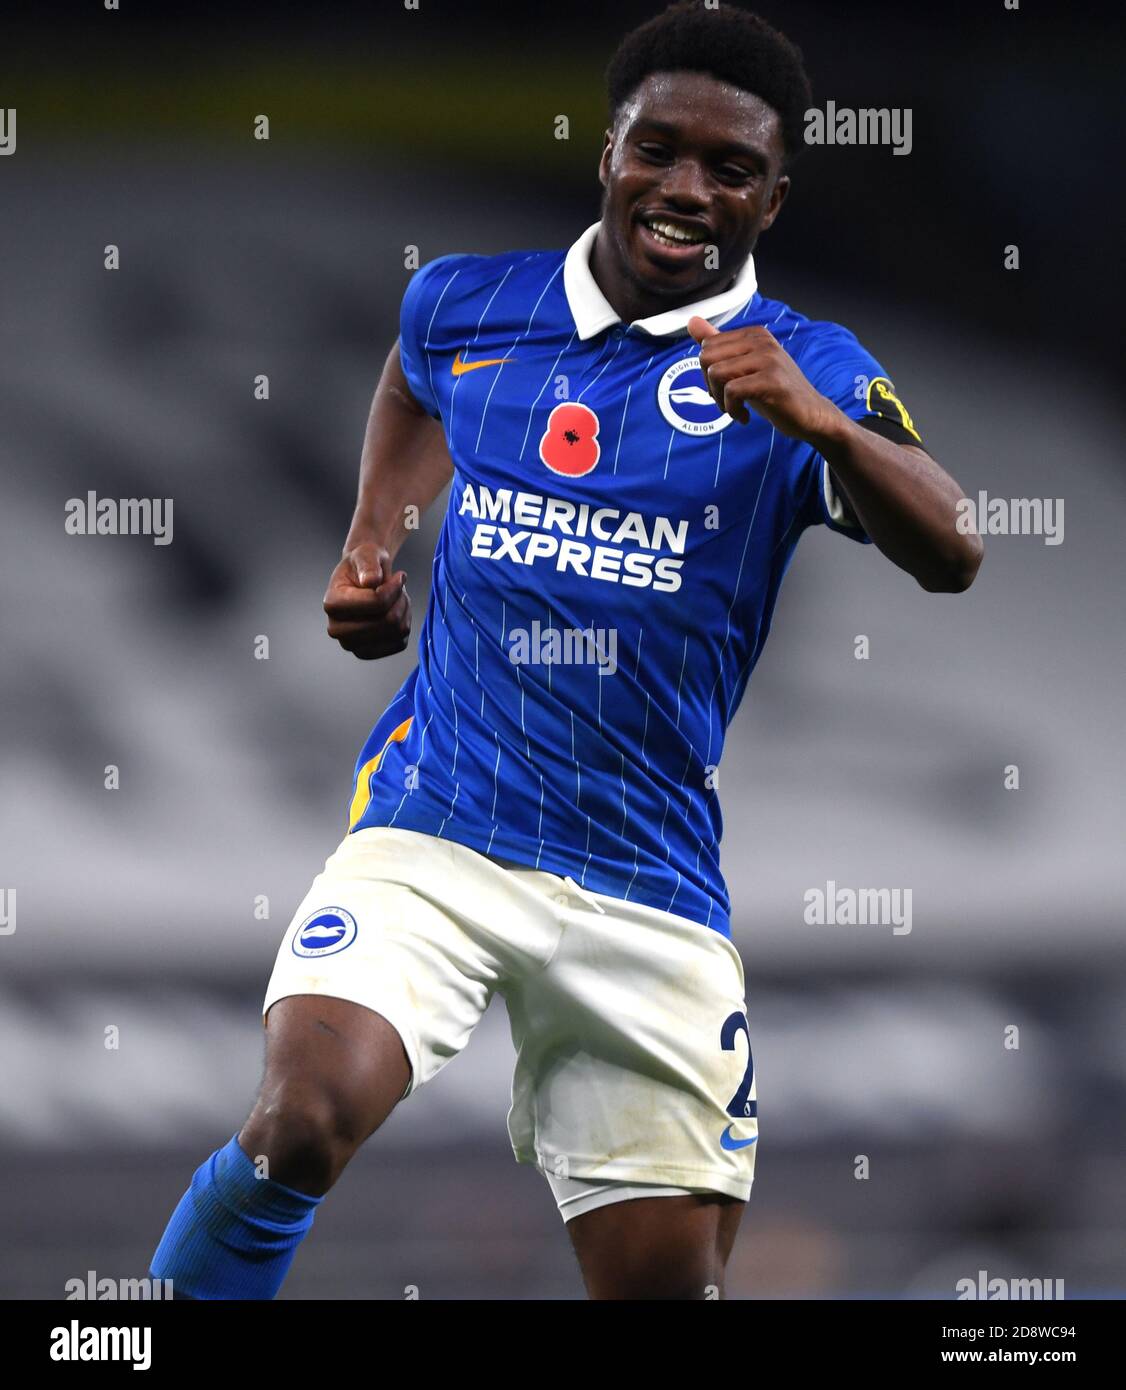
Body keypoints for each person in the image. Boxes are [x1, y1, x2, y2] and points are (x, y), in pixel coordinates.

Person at [150, 0, 982, 1301]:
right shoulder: (471, 300)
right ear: (606, 151)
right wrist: (373, 536)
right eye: (659, 149)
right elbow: (417, 372)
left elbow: (952, 545)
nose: (685, 189)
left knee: (655, 1286)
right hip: (438, 826)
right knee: (299, 1118)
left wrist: (820, 423)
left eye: (732, 171)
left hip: (643, 885)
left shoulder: (805, 366)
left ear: (773, 199)